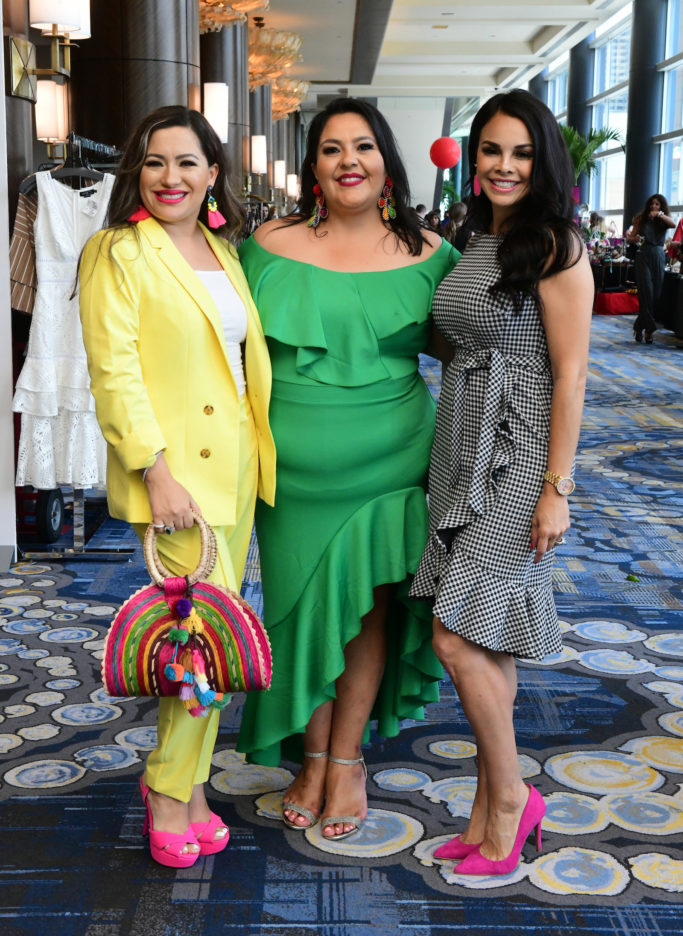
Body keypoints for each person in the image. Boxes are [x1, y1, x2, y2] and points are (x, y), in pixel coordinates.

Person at [236, 96, 460, 840]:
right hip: (288, 474)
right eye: (331, 149)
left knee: (365, 611)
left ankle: (343, 762)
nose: (347, 161)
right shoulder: (265, 244)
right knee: (298, 611)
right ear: (313, 168)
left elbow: (478, 358)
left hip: (391, 461)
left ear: (387, 164)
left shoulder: (432, 255)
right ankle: (309, 754)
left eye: (362, 146)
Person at [78, 105, 276, 868]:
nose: (171, 178)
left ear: (212, 173)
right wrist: (154, 472)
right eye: (156, 162)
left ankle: (187, 789)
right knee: (196, 640)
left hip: (236, 466)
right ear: (138, 170)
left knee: (213, 632)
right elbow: (114, 372)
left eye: (187, 163)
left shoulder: (226, 253)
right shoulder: (117, 252)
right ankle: (168, 788)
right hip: (176, 476)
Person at [410, 89, 593, 876]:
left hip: (517, 452)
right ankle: (489, 805)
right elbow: (451, 337)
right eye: (491, 150)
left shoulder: (557, 244)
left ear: (542, 160)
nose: (503, 166)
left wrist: (557, 486)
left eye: (520, 153)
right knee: (486, 632)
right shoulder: (477, 236)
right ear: (472, 156)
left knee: (455, 631)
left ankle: (514, 799)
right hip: (461, 438)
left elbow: (572, 372)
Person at [625, 193, 676, 343]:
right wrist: (634, 239)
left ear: (661, 207)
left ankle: (639, 327)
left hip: (658, 256)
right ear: (648, 205)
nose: (654, 206)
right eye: (652, 204)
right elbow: (629, 238)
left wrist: (659, 215)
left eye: (657, 204)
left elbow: (673, 224)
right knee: (646, 290)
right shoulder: (641, 218)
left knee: (655, 294)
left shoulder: (663, 220)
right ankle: (649, 330)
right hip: (643, 255)